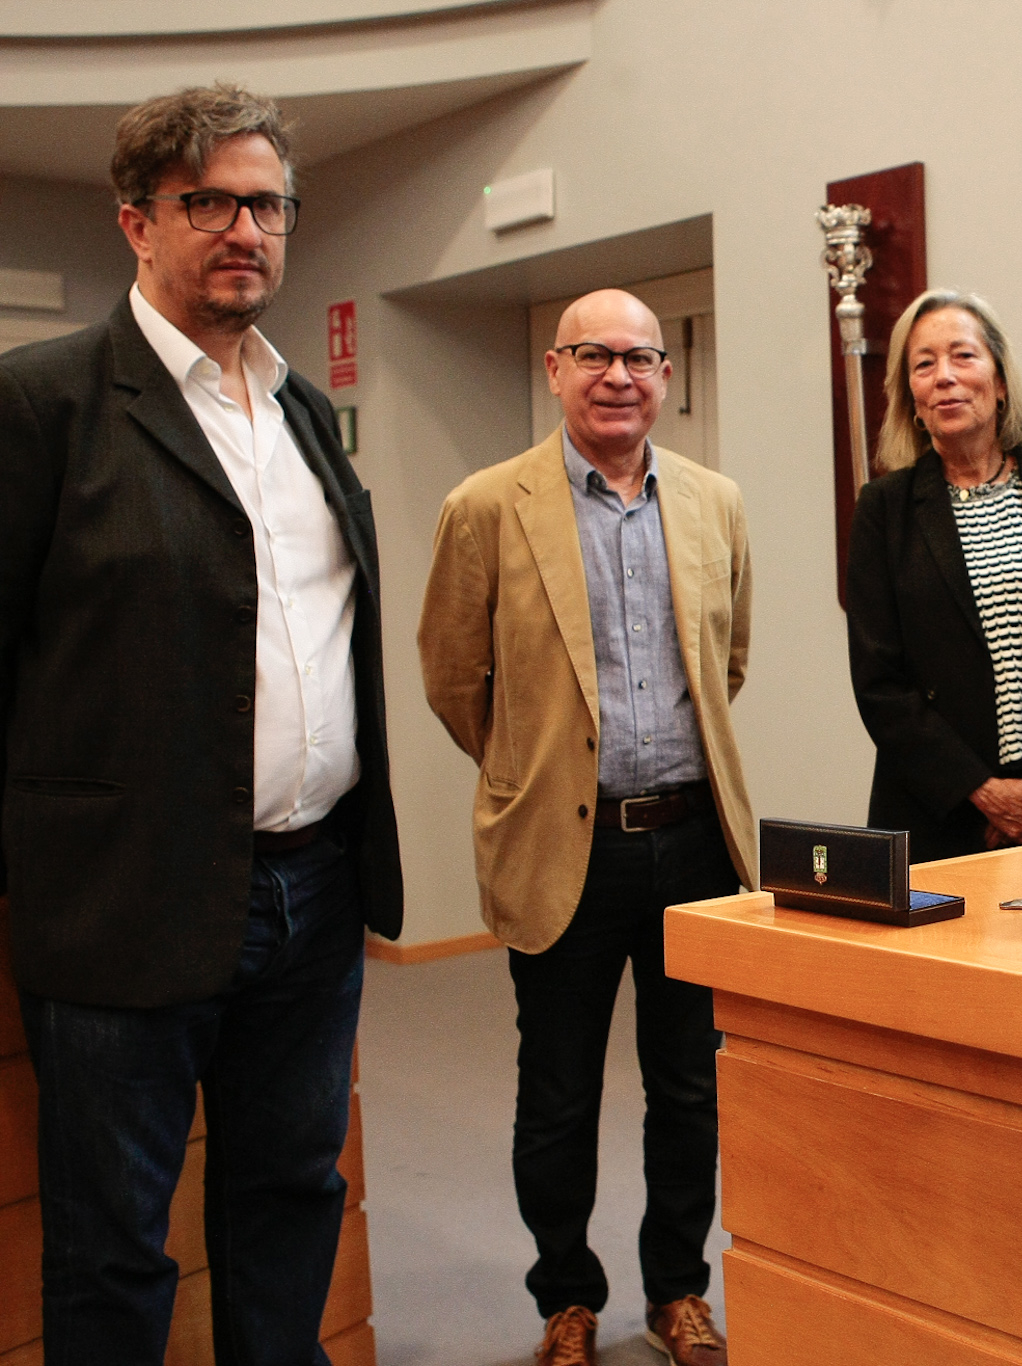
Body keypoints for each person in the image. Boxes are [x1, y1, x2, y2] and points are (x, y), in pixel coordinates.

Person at [0, 84, 402, 1363]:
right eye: (210, 203)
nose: (246, 230)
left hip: (313, 889)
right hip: (121, 897)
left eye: (268, 205)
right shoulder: (41, 404)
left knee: (291, 1195)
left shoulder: (303, 411)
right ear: (137, 222)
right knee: (116, 1241)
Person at [418, 289, 751, 1366]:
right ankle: (565, 1296)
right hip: (566, 843)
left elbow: (728, 661)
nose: (618, 375)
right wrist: (535, 771)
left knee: (688, 1086)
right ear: (555, 370)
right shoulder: (485, 505)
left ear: (666, 376)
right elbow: (452, 677)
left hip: (695, 842)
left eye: (639, 357)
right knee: (556, 1091)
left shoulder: (713, 501)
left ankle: (676, 1290)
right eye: (593, 354)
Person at [846, 289, 1022, 860]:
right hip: (935, 812)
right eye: (924, 364)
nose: (945, 377)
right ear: (911, 396)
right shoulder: (883, 509)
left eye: (963, 356)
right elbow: (879, 681)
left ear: (1000, 380)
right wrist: (981, 791)